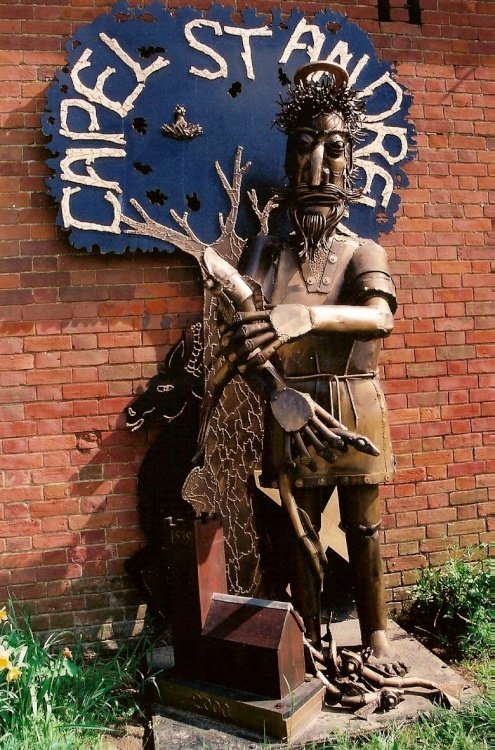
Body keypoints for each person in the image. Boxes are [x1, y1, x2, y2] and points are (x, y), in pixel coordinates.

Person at [222, 62, 402, 670]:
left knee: (364, 525)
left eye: (334, 149)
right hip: (290, 404)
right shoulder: (268, 251)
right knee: (297, 530)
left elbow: (379, 318)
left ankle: (376, 633)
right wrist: (270, 384)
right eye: (304, 149)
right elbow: (244, 331)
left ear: (350, 161)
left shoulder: (363, 249)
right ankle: (309, 633)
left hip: (355, 404)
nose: (318, 166)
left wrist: (307, 319)